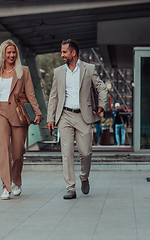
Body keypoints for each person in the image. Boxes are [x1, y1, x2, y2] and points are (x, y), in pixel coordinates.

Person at [0, 39, 41, 200]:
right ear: (3, 55)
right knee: (3, 149)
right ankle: (6, 186)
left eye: (14, 52)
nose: (12, 55)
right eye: (9, 52)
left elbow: (31, 94)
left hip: (19, 113)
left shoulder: (23, 71)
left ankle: (16, 181)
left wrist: (37, 112)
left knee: (18, 152)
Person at [47, 39, 108, 200]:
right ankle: (70, 188)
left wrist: (102, 105)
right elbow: (53, 95)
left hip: (83, 116)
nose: (62, 55)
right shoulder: (59, 72)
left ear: (73, 52)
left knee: (86, 153)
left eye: (64, 52)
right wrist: (50, 117)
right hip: (64, 116)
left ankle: (84, 177)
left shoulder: (89, 69)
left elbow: (101, 87)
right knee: (66, 154)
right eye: (61, 52)